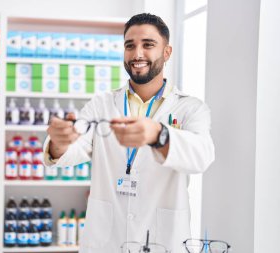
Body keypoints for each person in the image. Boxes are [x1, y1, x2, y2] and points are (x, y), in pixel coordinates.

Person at [43, 13, 215, 253]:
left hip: (163, 239)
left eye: (148, 45)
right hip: (106, 241)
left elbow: (202, 156)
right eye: (129, 46)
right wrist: (60, 142)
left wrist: (158, 135)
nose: (137, 54)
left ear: (167, 52)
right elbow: (73, 149)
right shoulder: (101, 103)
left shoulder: (190, 108)